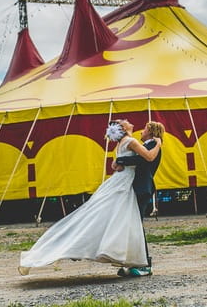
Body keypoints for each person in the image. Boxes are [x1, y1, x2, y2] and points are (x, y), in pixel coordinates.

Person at [18, 119, 162, 275]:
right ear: (122, 128)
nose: (132, 123)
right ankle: (139, 262)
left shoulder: (125, 144)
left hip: (126, 183)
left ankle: (136, 261)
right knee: (127, 222)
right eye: (125, 122)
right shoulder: (133, 141)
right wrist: (158, 144)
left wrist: (119, 161)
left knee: (119, 220)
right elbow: (145, 157)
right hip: (126, 184)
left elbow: (133, 161)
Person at [113, 121, 165, 277]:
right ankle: (134, 261)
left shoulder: (152, 145)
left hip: (142, 188)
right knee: (132, 226)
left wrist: (121, 160)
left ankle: (145, 264)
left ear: (150, 132)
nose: (141, 132)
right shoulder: (149, 145)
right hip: (136, 187)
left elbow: (142, 160)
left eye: (144, 129)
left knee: (137, 225)